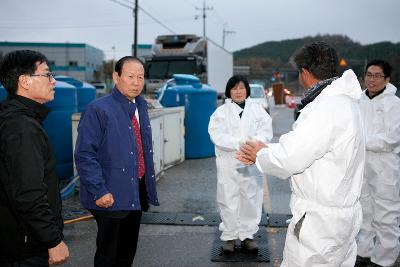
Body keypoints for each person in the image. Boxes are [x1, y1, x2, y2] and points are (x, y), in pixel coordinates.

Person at [237, 42, 365, 266]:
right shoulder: (347, 103)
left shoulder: (324, 109)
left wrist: (259, 155)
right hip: (343, 216)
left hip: (319, 224)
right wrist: (265, 151)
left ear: (305, 72)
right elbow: (305, 148)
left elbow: (291, 159)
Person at [74, 56, 159, 267]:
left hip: (136, 189)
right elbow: (85, 154)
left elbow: (143, 149)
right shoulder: (98, 109)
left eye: (140, 77)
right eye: (130, 76)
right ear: (116, 76)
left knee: (127, 251)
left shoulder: (140, 107)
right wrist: (99, 190)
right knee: (109, 255)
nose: (136, 82)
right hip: (109, 192)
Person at [0, 50, 69, 266]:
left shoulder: (14, 117)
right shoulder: (22, 127)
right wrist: (53, 240)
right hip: (25, 247)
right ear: (25, 81)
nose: (54, 81)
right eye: (47, 75)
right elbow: (29, 193)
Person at [208, 75, 273, 253]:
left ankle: (247, 235)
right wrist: (239, 143)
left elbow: (266, 131)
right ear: (229, 91)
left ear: (247, 90)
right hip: (228, 162)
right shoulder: (220, 113)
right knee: (227, 198)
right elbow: (216, 135)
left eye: (242, 88)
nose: (238, 92)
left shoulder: (257, 110)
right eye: (235, 88)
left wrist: (253, 143)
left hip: (250, 162)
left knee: (250, 198)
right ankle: (229, 236)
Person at [356, 60, 400, 267]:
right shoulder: (358, 100)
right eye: (369, 75)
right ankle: (363, 252)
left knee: (386, 214)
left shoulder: (394, 104)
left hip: (384, 167)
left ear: (387, 79)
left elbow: (392, 138)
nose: (372, 79)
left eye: (377, 75)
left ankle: (384, 259)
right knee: (363, 211)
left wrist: (362, 141)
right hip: (361, 164)